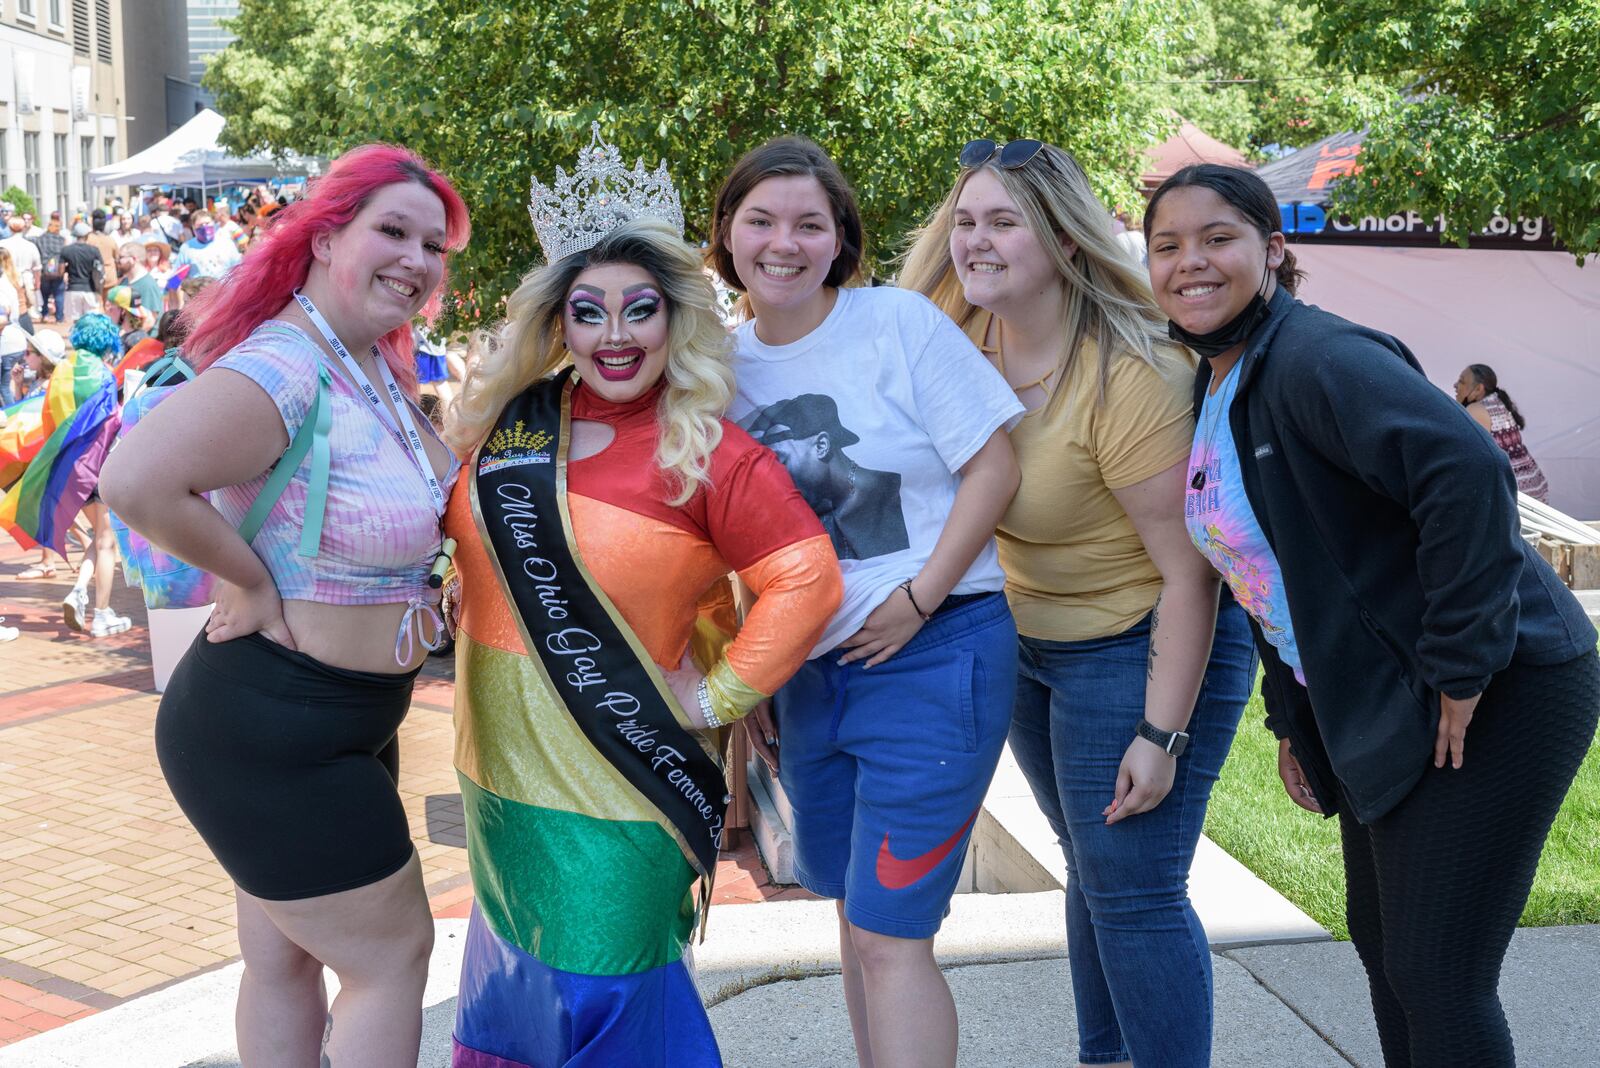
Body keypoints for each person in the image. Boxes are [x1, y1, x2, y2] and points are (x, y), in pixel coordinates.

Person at [1143, 163, 1599, 1068]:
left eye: (1217, 238)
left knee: (1437, 971)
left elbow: (1467, 476)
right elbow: (1273, 570)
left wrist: (1463, 666)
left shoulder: (1319, 358)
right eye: (1167, 246)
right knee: (1386, 947)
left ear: (1272, 251)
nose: (1189, 261)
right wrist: (1295, 717)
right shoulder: (1225, 380)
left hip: (1504, 683)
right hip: (1389, 689)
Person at [442, 126, 842, 1067]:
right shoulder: (514, 427)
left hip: (624, 773)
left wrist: (714, 698)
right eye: (588, 313)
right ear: (559, 322)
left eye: (639, 310)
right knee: (515, 982)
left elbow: (805, 578)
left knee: (613, 979)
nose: (614, 336)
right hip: (497, 768)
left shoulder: (706, 450)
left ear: (675, 318)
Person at [99, 144, 471, 1067]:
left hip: (338, 720)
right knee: (393, 957)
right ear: (323, 236)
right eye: (393, 231)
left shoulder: (367, 362)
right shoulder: (289, 364)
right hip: (270, 724)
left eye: (433, 244)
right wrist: (250, 576)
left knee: (285, 959)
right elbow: (138, 479)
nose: (417, 260)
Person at [901, 139, 1255, 1068]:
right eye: (965, 220)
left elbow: (1193, 576)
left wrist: (1161, 735)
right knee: (1095, 870)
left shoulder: (1127, 374)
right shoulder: (956, 337)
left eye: (1003, 221)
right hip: (1030, 639)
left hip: (1145, 641)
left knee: (1134, 888)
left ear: (1060, 239)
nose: (975, 241)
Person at [710, 137, 1023, 1068]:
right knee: (850, 917)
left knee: (893, 933)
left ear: (840, 239)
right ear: (726, 234)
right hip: (810, 675)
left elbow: (994, 466)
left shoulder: (898, 324)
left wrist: (922, 599)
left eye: (810, 223)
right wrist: (753, 668)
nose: (784, 242)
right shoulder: (717, 368)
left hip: (934, 652)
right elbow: (727, 537)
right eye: (760, 220)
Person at [1454, 363, 1550, 502]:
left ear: (1478, 389)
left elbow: (1466, 457)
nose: (1455, 385)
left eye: (1462, 381)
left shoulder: (1476, 410)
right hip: (1534, 485)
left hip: (1516, 493)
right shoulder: (1498, 401)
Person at [172, 209, 243, 280]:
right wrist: (172, 287)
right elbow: (178, 274)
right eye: (200, 225)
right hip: (199, 289)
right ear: (193, 227)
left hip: (224, 288)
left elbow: (238, 268)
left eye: (207, 223)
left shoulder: (227, 243)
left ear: (213, 223)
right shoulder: (186, 248)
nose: (204, 227)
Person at [0, 248, 27, 406]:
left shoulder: (3, 286)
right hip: (16, 338)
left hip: (7, 342)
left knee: (4, 387)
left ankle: (13, 416)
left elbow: (4, 316)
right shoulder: (12, 280)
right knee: (6, 386)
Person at [62, 223, 104, 321]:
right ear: (87, 235)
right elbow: (99, 271)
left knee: (76, 321)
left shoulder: (66, 250)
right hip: (90, 289)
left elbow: (60, 271)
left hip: (73, 288)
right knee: (91, 321)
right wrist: (99, 289)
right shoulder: (94, 250)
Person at [3, 217, 43, 319]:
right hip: (27, 278)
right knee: (27, 309)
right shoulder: (30, 245)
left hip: (8, 278)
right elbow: (37, 267)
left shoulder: (3, 244)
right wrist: (37, 282)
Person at [31, 217, 67, 322]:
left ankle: (45, 314)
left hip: (44, 270)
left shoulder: (41, 239)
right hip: (58, 271)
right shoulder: (61, 240)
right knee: (59, 295)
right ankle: (59, 317)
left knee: (44, 295)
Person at [115, 243, 164, 318]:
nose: (118, 260)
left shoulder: (147, 285)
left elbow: (150, 319)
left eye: (121, 257)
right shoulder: (124, 281)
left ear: (133, 259)